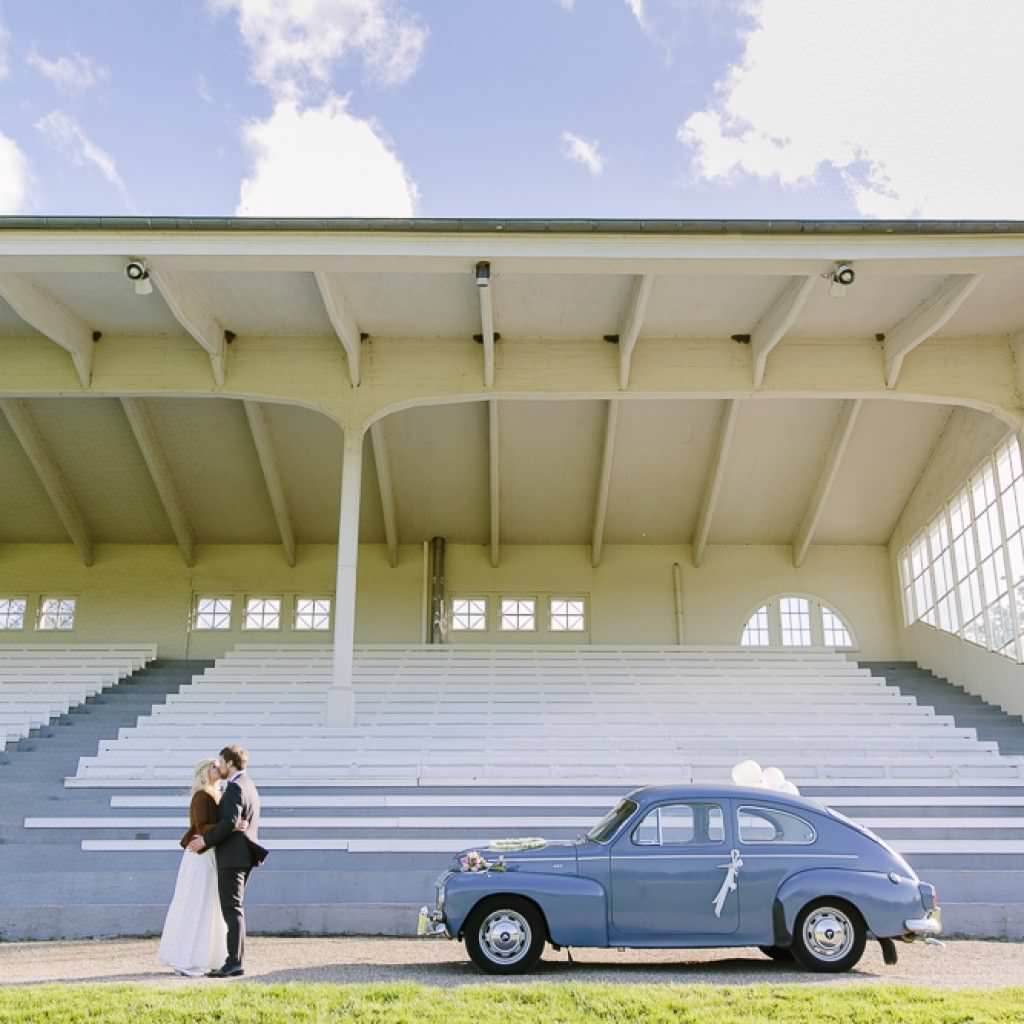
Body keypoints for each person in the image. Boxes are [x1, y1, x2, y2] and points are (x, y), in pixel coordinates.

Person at [187, 744, 267, 978]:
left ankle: (234, 962)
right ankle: (234, 960)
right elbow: (235, 822)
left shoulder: (234, 788)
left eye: (221, 762)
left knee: (232, 910)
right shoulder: (249, 785)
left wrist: (205, 841)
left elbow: (229, 822)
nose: (219, 766)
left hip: (232, 857)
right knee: (235, 909)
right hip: (242, 855)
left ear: (230, 764)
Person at [157, 759, 231, 976]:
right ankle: (188, 958)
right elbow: (201, 826)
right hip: (200, 854)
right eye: (214, 767)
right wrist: (232, 826)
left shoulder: (212, 795)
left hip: (206, 853)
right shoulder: (202, 796)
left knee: (206, 903)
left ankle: (203, 955)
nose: (219, 770)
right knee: (197, 902)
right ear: (205, 772)